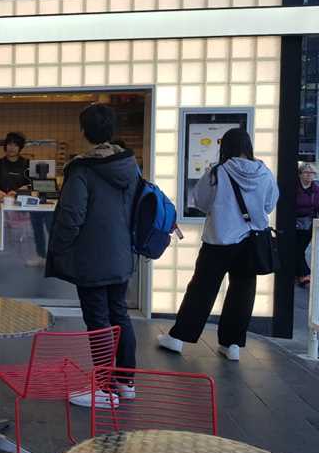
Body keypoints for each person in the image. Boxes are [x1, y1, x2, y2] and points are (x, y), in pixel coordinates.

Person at [46, 104, 140, 406]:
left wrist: (58, 247)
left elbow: (71, 216)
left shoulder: (83, 169)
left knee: (98, 320)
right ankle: (125, 383)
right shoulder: (129, 165)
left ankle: (104, 388)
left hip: (92, 259)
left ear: (84, 131)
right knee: (120, 315)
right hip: (121, 255)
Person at [158, 129, 279, 361]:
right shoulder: (265, 173)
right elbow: (269, 204)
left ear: (226, 147)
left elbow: (201, 202)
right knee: (243, 291)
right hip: (250, 242)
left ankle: (178, 338)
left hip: (219, 240)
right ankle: (231, 344)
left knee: (202, 289)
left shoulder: (217, 172)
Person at [294, 162, 319, 286]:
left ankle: (303, 274)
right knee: (296, 250)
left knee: (298, 250)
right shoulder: (294, 188)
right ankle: (302, 275)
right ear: (300, 174)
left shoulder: (316, 190)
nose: (310, 175)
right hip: (292, 224)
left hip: (308, 224)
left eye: (312, 173)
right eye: (307, 172)